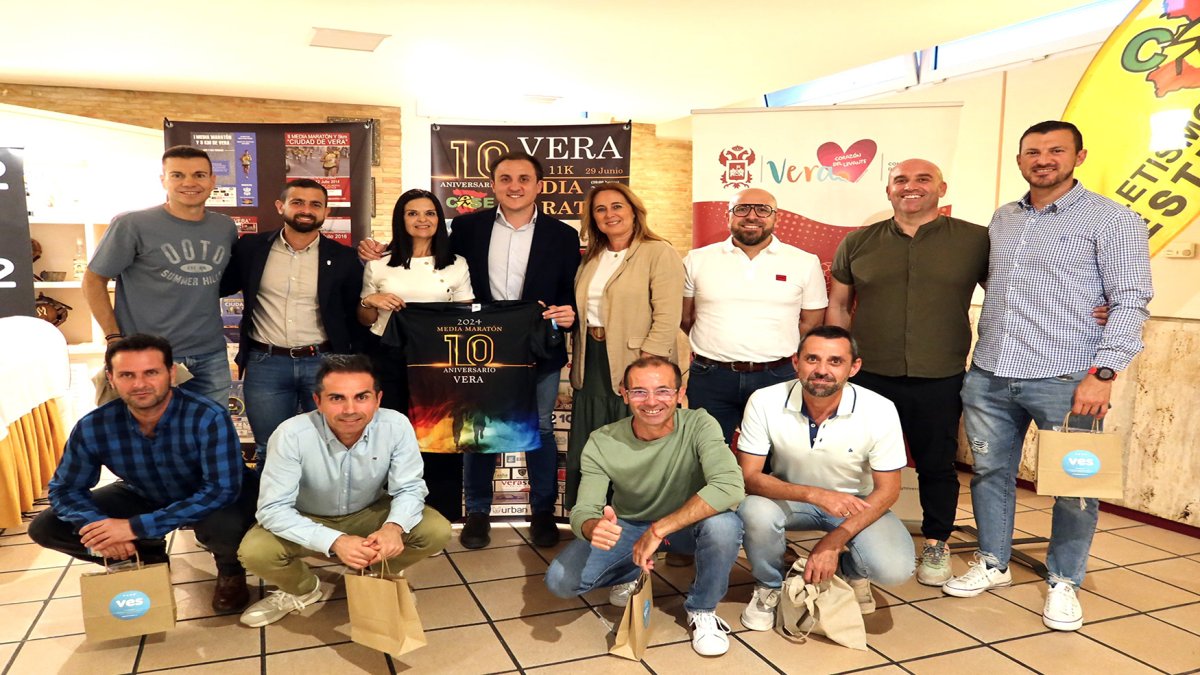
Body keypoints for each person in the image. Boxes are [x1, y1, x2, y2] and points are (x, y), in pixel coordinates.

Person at [943, 121, 1153, 633]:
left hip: (1069, 377)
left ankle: (1064, 580)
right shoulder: (1004, 218)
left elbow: (1131, 298)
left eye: (1056, 150)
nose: (1043, 159)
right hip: (991, 373)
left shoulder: (1113, 220)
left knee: (1075, 483)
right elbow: (1001, 284)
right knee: (992, 473)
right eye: (1032, 152)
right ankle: (993, 562)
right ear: (1019, 161)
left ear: (1079, 156)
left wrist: (1103, 372)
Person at [360, 151, 579, 549]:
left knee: (542, 429)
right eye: (506, 178)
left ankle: (543, 512)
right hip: (479, 350)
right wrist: (377, 252)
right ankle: (477, 512)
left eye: (524, 179)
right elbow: (426, 252)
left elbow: (571, 293)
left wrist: (572, 313)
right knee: (479, 428)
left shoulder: (563, 235)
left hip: (537, 351)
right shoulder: (466, 227)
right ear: (493, 185)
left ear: (539, 186)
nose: (515, 186)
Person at [825, 159, 988, 586]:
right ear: (889, 190)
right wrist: (835, 365)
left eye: (922, 180)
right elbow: (839, 305)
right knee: (853, 461)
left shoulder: (976, 240)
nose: (910, 187)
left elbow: (1015, 292)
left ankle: (936, 542)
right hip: (869, 376)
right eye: (901, 180)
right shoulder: (858, 242)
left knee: (937, 464)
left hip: (941, 374)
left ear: (941, 188)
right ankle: (852, 535)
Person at [28, 334, 257, 613]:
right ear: (110, 378)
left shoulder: (207, 416)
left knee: (225, 524)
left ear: (171, 374)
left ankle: (230, 570)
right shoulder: (94, 425)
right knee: (47, 527)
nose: (139, 384)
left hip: (208, 497)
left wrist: (133, 527)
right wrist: (101, 528)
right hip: (144, 491)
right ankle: (148, 557)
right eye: (127, 374)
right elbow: (64, 489)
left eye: (151, 372)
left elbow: (221, 490)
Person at [545, 356, 745, 657]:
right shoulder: (602, 440)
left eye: (663, 391)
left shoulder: (700, 423)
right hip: (631, 525)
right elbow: (585, 508)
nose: (651, 401)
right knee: (560, 581)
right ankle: (630, 574)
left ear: (680, 394)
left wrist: (659, 529)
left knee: (725, 526)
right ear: (624, 394)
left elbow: (730, 486)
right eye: (639, 391)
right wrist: (592, 527)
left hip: (687, 527)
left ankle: (702, 610)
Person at [238, 354, 452, 628]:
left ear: (378, 398)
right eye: (337, 398)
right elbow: (272, 509)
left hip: (368, 510)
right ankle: (303, 588)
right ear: (318, 401)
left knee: (436, 530)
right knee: (255, 552)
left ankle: (377, 572)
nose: (350, 409)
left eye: (362, 397)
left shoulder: (395, 425)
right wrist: (335, 541)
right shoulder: (291, 434)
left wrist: (393, 527)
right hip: (307, 515)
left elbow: (409, 487)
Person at [736, 326, 914, 630]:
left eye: (835, 361)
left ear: (853, 367)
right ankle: (769, 585)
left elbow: (888, 491)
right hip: (791, 497)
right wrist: (815, 495)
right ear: (796, 362)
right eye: (812, 359)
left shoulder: (880, 410)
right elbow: (750, 478)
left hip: (855, 503)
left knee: (894, 568)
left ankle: (852, 572)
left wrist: (834, 541)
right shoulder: (764, 400)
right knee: (753, 510)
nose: (821, 370)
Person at [220, 178, 365, 471]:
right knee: (270, 448)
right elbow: (218, 285)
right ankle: (271, 516)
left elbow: (354, 316)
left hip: (324, 363)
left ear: (326, 212)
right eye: (297, 202)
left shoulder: (344, 258)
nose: (306, 210)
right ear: (280, 206)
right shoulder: (251, 248)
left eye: (315, 204)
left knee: (332, 446)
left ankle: (328, 515)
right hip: (265, 364)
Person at [83, 145, 237, 403]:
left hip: (210, 355)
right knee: (146, 436)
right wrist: (113, 337)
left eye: (199, 175)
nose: (189, 182)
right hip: (148, 356)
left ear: (212, 181)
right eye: (177, 175)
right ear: (163, 180)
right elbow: (93, 280)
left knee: (210, 435)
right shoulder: (132, 225)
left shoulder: (224, 227)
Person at [565, 182, 684, 509]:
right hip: (592, 360)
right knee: (593, 437)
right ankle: (590, 516)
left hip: (635, 361)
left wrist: (647, 368)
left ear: (634, 211)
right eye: (600, 209)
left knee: (634, 437)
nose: (609, 214)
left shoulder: (658, 252)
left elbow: (668, 315)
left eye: (617, 206)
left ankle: (637, 516)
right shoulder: (592, 256)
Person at [358, 188, 473, 520]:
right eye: (413, 213)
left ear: (439, 219)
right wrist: (371, 301)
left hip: (440, 360)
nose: (422, 220)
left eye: (430, 213)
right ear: (401, 219)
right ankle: (392, 514)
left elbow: (465, 314)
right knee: (391, 433)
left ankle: (443, 514)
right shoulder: (379, 264)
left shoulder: (456, 264)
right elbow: (365, 319)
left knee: (441, 436)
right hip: (389, 358)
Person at [682, 187, 828, 444]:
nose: (752, 216)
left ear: (776, 217)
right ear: (728, 215)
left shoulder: (804, 262)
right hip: (710, 377)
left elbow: (811, 323)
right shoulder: (697, 260)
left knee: (777, 458)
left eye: (762, 210)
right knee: (704, 455)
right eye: (742, 209)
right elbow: (685, 318)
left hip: (777, 377)